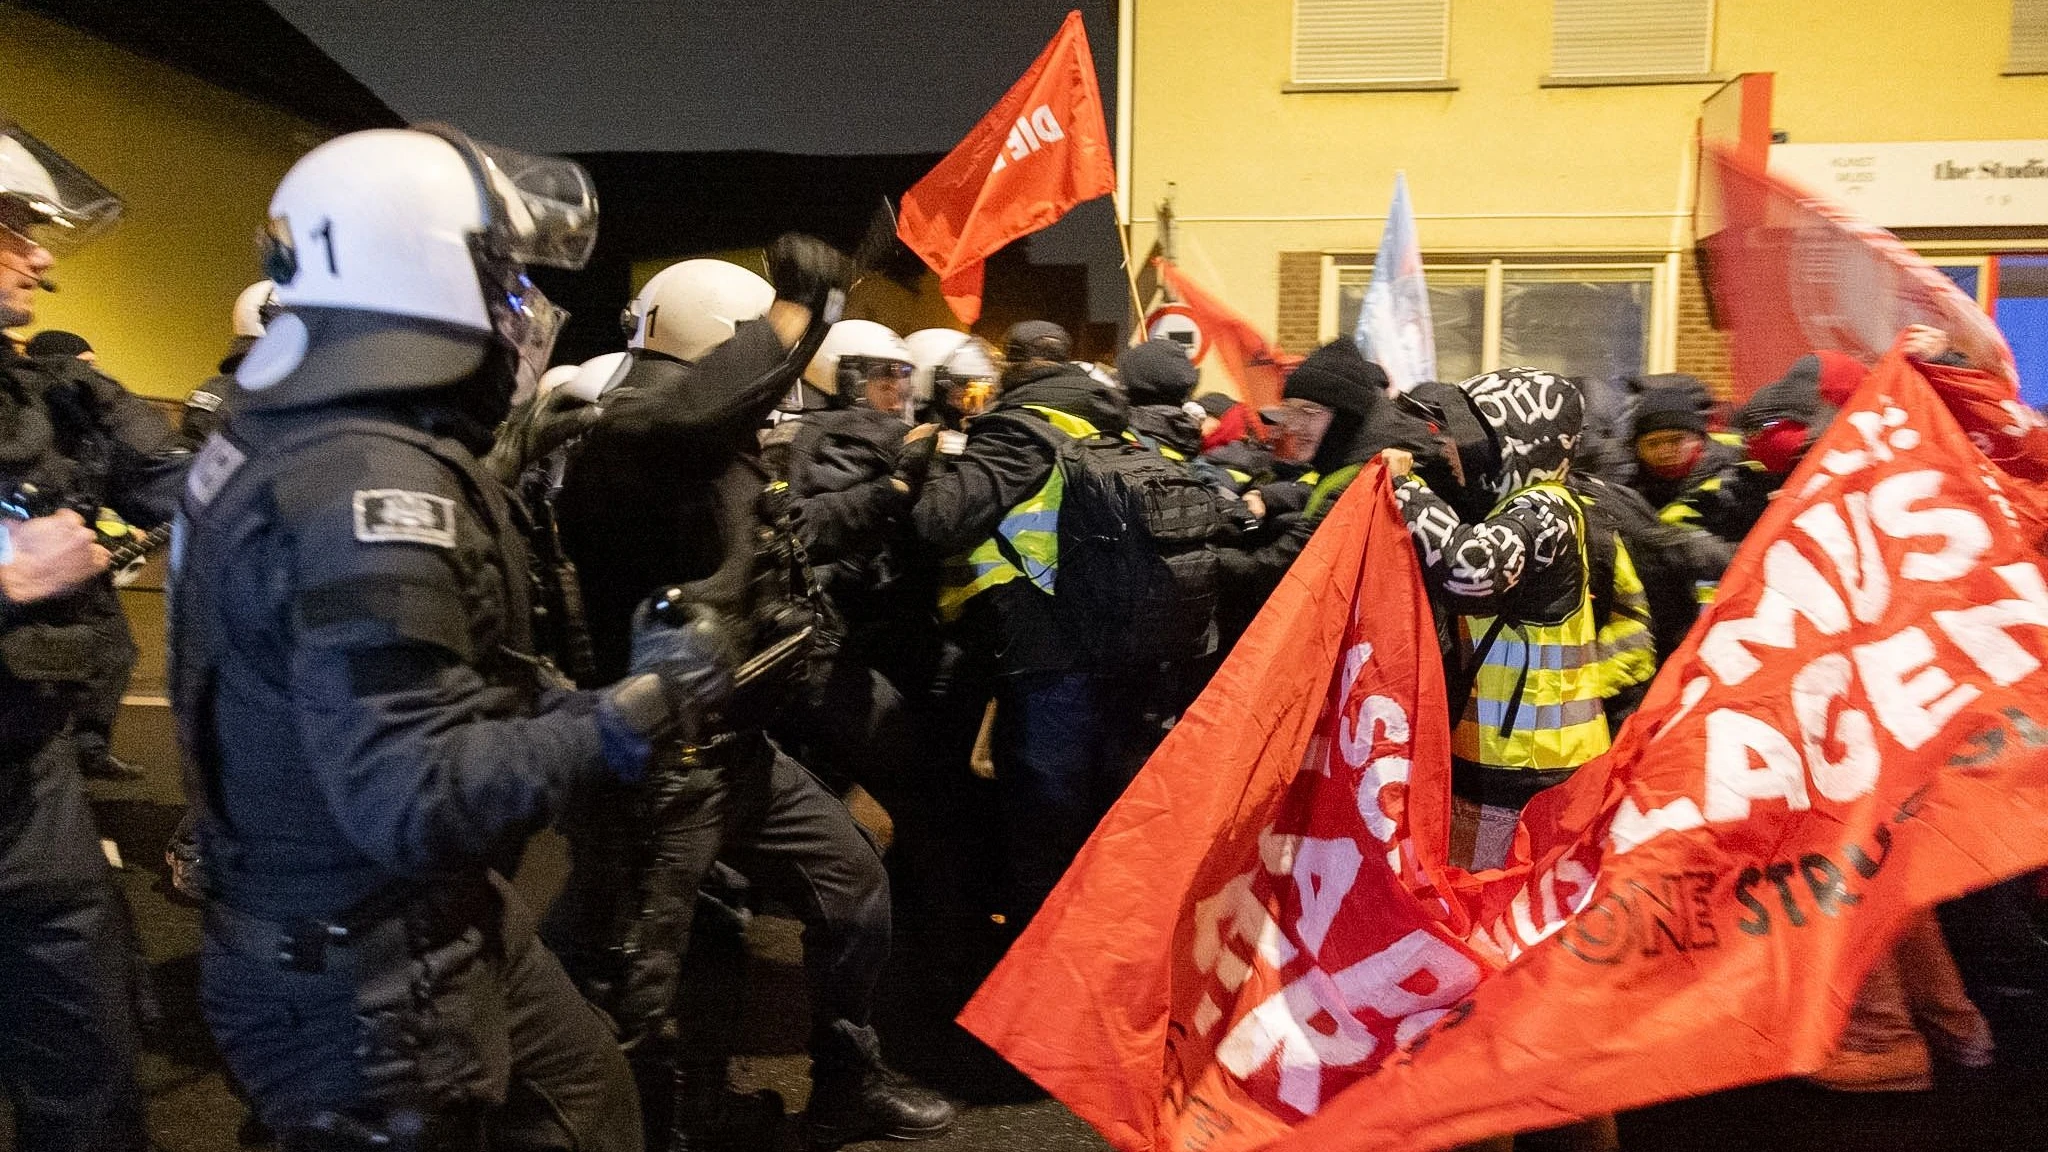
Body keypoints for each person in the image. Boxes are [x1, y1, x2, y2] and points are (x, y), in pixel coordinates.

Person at [167, 123, 734, 1151]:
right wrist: (638, 708)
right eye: (504, 280)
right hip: (367, 978)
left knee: (591, 1097)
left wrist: (571, 701)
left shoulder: (320, 435)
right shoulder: (366, 484)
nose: (523, 310)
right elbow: (415, 795)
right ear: (420, 278)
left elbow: (457, 683)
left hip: (417, 920)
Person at [544, 249, 957, 1151]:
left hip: (740, 750)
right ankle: (662, 1128)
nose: (775, 393)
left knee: (853, 893)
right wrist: (793, 309)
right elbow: (670, 424)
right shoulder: (631, 445)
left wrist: (887, 494)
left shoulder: (717, 458)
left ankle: (847, 1080)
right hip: (656, 772)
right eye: (759, 364)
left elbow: (786, 534)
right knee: (640, 984)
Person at [913, 320, 1222, 922]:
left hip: (1049, 652)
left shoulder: (1018, 428)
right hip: (1124, 643)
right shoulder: (1113, 421)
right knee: (1102, 817)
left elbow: (937, 521)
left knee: (1043, 826)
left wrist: (920, 466)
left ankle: (1033, 969)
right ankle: (1100, 947)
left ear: (1013, 367)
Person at [0, 118, 173, 1152]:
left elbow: (136, 507)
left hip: (30, 776)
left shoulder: (39, 395)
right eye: (13, 227)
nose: (42, 257)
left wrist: (112, 528)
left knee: (89, 1062)